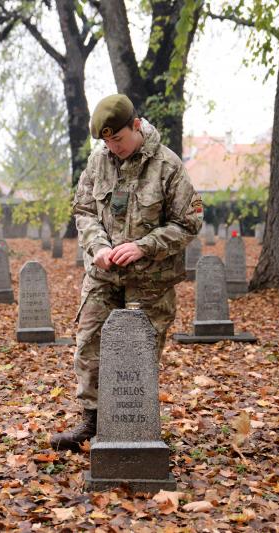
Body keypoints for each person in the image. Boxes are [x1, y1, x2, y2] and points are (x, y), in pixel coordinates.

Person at [50, 94, 202, 452]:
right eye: (106, 141)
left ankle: (135, 424)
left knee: (138, 353)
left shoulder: (167, 166)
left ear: (136, 125)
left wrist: (144, 245)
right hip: (103, 276)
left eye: (117, 138)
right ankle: (93, 420)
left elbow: (189, 222)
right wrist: (98, 246)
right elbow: (84, 209)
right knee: (89, 343)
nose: (112, 147)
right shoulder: (98, 161)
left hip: (149, 280)